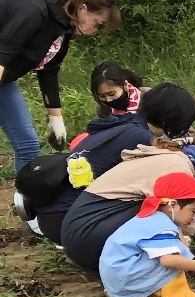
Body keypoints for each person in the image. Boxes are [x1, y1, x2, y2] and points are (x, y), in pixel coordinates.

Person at [60, 105, 195, 276]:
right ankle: (149, 270)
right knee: (162, 213)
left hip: (85, 230)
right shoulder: (179, 168)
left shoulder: (186, 162)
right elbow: (179, 213)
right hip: (89, 233)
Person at [12, 78, 163, 243]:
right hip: (70, 225)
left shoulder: (108, 128)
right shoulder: (138, 135)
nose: (108, 100)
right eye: (103, 96)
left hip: (53, 221)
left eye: (111, 93)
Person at [0, 0, 118, 168]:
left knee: (28, 146)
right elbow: (2, 55)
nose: (93, 31)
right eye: (95, 23)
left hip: (4, 82)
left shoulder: (62, 29)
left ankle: (25, 197)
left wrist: (56, 119)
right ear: (82, 9)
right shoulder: (32, 11)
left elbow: (49, 70)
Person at [98, 173, 195, 297]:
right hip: (126, 277)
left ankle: (158, 294)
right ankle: (177, 296)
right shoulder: (161, 225)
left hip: (122, 279)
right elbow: (168, 261)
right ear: (172, 205)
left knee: (176, 248)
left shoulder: (154, 219)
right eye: (194, 211)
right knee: (173, 255)